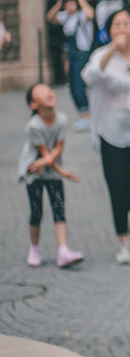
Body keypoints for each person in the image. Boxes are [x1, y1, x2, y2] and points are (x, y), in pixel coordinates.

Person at [82, 8, 130, 264]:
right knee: (118, 187)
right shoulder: (100, 55)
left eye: (127, 24)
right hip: (112, 131)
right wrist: (112, 51)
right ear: (110, 30)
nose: (123, 30)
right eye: (117, 25)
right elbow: (91, 77)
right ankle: (123, 241)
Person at [19, 84, 83, 268]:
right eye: (41, 91)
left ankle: (63, 251)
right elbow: (44, 151)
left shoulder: (62, 120)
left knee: (59, 209)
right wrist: (62, 172)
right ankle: (34, 248)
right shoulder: (33, 126)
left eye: (49, 89)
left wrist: (56, 169)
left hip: (50, 168)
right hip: (34, 170)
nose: (48, 92)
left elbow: (58, 148)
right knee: (36, 211)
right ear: (33, 104)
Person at [49, 0, 95, 131]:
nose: (70, 6)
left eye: (72, 3)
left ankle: (87, 116)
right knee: (73, 85)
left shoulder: (82, 15)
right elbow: (50, 18)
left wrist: (82, 1)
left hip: (81, 53)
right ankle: (83, 114)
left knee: (79, 85)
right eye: (67, 4)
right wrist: (58, 4)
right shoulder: (66, 17)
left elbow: (91, 14)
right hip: (72, 53)